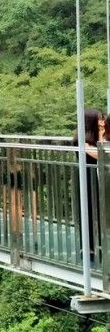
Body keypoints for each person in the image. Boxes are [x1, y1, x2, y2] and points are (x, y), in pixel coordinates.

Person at [73, 108, 105, 263]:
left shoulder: (100, 136)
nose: (103, 121)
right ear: (91, 121)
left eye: (103, 118)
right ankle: (88, 247)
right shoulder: (81, 138)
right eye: (100, 119)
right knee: (88, 213)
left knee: (101, 212)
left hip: (101, 178)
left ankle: (100, 245)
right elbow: (100, 154)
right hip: (87, 178)